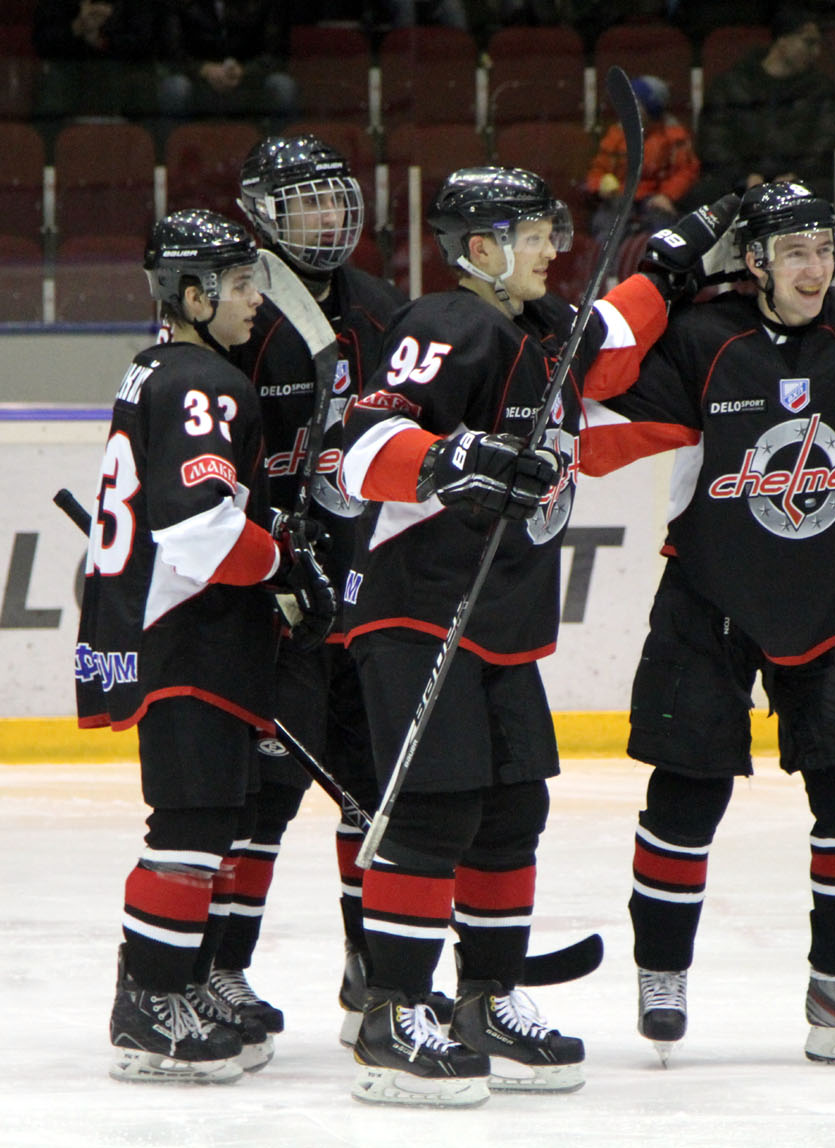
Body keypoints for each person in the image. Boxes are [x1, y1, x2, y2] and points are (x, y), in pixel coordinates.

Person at [337, 166, 736, 1106]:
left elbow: (615, 331)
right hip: (420, 612)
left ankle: (485, 998)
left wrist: (680, 254)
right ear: (481, 249)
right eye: (535, 233)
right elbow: (360, 447)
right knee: (435, 811)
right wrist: (448, 459)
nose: (557, 249)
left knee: (513, 810)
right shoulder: (447, 322)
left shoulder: (542, 330)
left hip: (504, 621)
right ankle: (394, 1008)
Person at [576, 181, 835, 1070]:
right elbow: (589, 392)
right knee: (687, 795)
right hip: (709, 599)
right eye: (793, 252)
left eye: (824, 250)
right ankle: (662, 970)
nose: (814, 269)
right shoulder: (700, 336)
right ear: (754, 261)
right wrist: (662, 270)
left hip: (833, 602)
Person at [78, 209, 335, 1084]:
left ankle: (181, 980)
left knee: (214, 817)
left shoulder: (154, 367)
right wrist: (286, 568)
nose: (256, 301)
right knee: (189, 823)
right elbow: (198, 529)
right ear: (191, 295)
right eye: (237, 285)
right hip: (186, 632)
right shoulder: (204, 382)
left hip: (172, 629)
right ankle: (148, 1003)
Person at [221, 134, 411, 1047]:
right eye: (304, 204)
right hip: (276, 592)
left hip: (363, 584)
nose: (326, 220)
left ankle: (371, 969)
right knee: (260, 798)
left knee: (370, 787)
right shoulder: (236, 306)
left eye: (335, 201)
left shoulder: (381, 307)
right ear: (262, 212)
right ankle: (220, 970)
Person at [689, 6, 835, 207]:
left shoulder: (822, 89)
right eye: (808, 43)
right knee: (706, 193)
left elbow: (827, 142)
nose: (816, 52)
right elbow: (713, 143)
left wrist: (797, 175)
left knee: (825, 191)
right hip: (737, 182)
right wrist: (744, 177)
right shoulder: (731, 85)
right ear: (782, 39)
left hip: (800, 181)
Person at [585, 74, 700, 238]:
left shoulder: (674, 136)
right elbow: (597, 170)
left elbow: (686, 172)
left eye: (636, 103)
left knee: (663, 228)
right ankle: (609, 263)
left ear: (651, 108)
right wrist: (600, 185)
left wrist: (667, 195)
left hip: (654, 200)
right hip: (621, 197)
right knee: (606, 225)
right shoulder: (617, 134)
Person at [157, 1, 297, 124]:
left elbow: (275, 52)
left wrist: (244, 71)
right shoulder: (179, 3)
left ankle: (278, 150)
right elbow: (172, 52)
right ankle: (175, 150)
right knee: (175, 87)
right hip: (197, 80)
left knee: (282, 86)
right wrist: (204, 69)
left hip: (250, 80)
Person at [32, 1, 160, 123]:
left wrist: (103, 41)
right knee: (54, 85)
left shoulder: (135, 5)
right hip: (69, 71)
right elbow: (43, 41)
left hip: (121, 71)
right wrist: (77, 27)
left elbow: (145, 41)